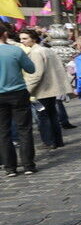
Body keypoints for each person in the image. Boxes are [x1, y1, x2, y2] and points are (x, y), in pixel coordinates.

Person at [19, 29, 70, 150]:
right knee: (52, 115)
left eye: (25, 38)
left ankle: (49, 141)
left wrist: (28, 90)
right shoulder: (46, 49)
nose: (22, 41)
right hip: (50, 88)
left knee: (43, 116)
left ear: (33, 39)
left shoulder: (36, 52)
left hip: (42, 89)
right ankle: (57, 140)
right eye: (21, 39)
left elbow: (36, 74)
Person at [0, 21, 36, 176]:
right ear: (5, 34)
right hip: (18, 92)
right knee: (24, 129)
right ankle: (28, 165)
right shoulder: (15, 50)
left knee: (3, 132)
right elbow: (31, 69)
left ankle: (10, 167)